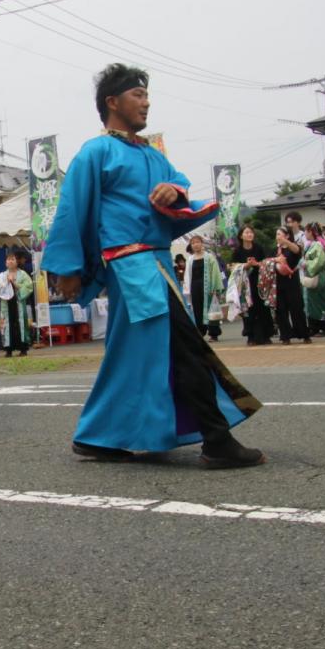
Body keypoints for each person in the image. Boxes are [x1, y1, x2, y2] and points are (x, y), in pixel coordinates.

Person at [43, 63, 263, 468]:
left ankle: (101, 436)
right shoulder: (96, 151)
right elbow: (71, 209)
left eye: (146, 95)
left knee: (138, 354)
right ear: (112, 102)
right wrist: (68, 267)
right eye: (137, 95)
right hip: (131, 266)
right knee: (183, 347)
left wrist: (174, 191)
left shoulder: (153, 155)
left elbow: (181, 190)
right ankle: (216, 438)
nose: (146, 102)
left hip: (156, 264)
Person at [231, 225, 274, 346]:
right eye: (246, 232)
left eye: (251, 232)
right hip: (245, 284)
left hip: (259, 282)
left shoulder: (259, 248)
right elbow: (233, 267)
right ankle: (251, 336)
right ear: (241, 236)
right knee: (248, 309)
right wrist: (246, 265)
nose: (249, 234)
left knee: (263, 308)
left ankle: (267, 335)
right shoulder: (237, 251)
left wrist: (256, 264)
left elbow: (265, 263)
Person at [273, 227, 311, 344]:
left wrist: (286, 242)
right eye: (276, 234)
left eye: (279, 234)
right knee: (281, 311)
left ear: (287, 235)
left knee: (297, 309)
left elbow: (297, 251)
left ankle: (304, 334)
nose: (277, 237)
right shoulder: (275, 250)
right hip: (278, 284)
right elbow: (268, 261)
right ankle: (285, 336)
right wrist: (275, 259)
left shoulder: (293, 247)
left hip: (292, 282)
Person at [182, 235, 224, 341]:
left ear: (201, 243)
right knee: (197, 310)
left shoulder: (209, 257)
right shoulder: (190, 259)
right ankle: (201, 331)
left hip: (208, 287)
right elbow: (187, 275)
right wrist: (187, 289)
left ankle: (214, 333)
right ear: (191, 246)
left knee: (210, 309)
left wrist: (215, 287)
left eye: (197, 242)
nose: (195, 244)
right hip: (195, 287)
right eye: (193, 243)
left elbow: (215, 273)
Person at [0, 251, 33, 356]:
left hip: (18, 302)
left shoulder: (23, 274)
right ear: (5, 263)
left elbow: (29, 286)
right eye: (8, 260)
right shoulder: (2, 275)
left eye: (13, 259)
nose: (10, 261)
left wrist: (14, 283)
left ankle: (23, 348)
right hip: (6, 303)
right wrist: (7, 283)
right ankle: (8, 349)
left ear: (16, 262)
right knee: (8, 325)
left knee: (20, 323)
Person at [301, 223, 325, 336]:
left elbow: (319, 262)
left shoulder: (318, 245)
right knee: (314, 302)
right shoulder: (314, 244)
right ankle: (317, 327)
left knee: (318, 301)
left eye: (306, 231)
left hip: (318, 276)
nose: (305, 233)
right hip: (317, 275)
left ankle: (322, 327)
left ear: (311, 232)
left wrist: (305, 263)